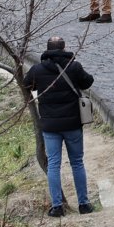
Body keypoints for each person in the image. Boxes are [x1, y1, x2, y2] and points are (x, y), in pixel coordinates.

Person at [24, 36, 96, 217]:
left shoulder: (37, 70)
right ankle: (84, 204)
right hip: (72, 124)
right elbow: (88, 82)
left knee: (54, 165)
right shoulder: (74, 67)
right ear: (64, 49)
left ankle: (57, 206)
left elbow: (26, 84)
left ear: (47, 50)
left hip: (50, 126)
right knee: (77, 163)